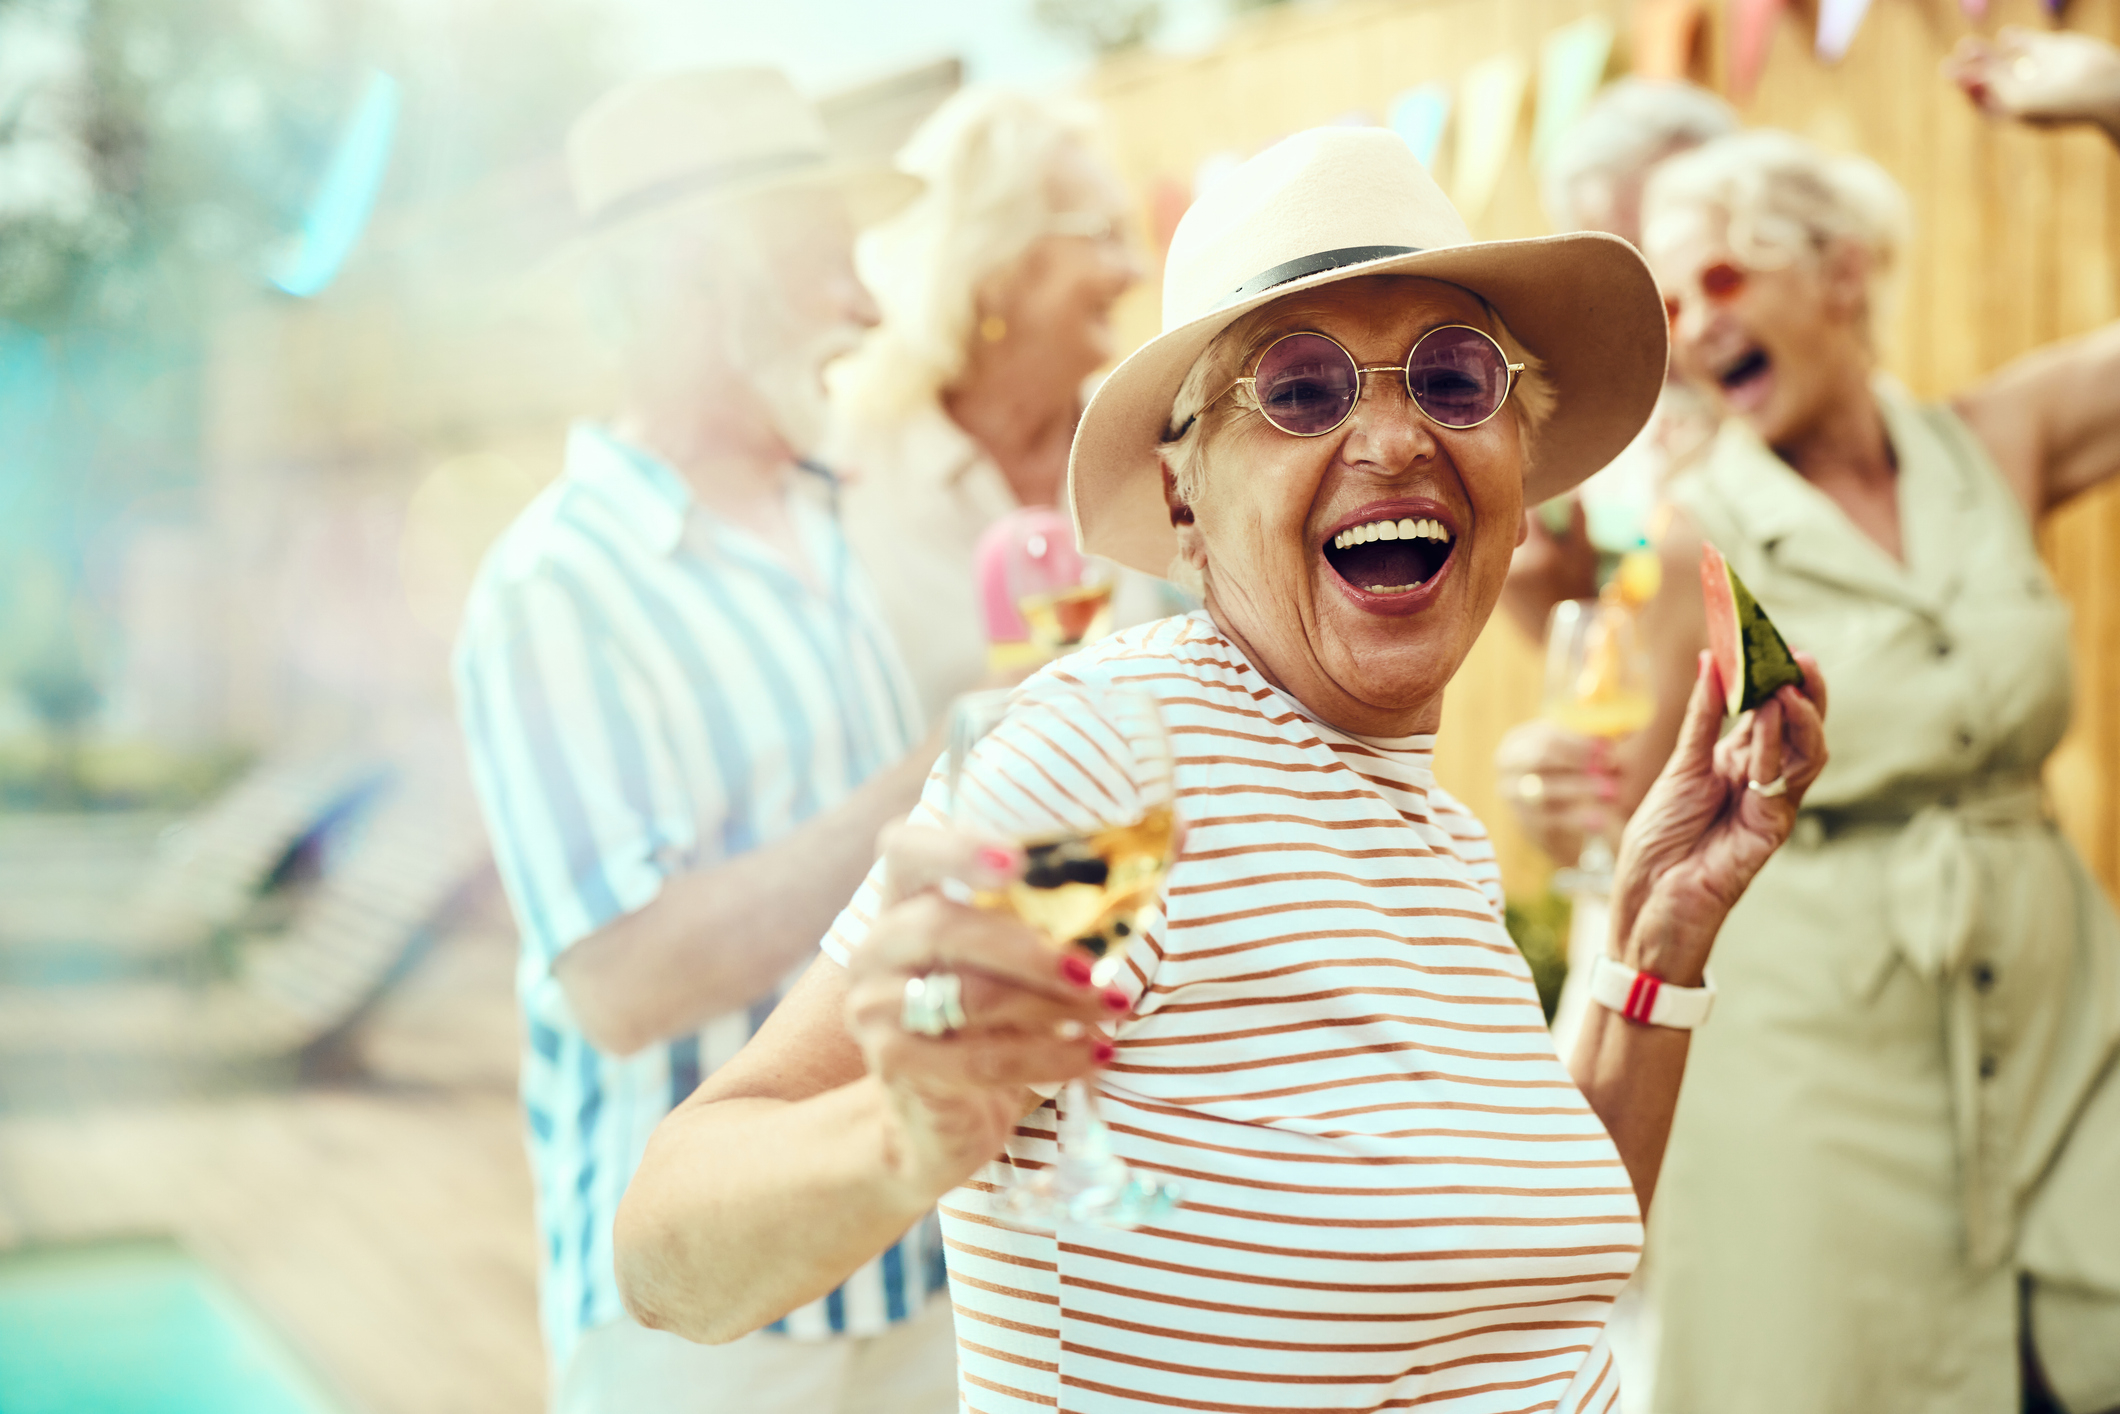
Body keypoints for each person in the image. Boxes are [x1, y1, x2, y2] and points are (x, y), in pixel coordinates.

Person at [609, 127, 1829, 1413]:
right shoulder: (1125, 769)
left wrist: (1656, 935)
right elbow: (666, 1246)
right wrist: (904, 1129)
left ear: (1517, 473)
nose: (1394, 438)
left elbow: (1513, 1285)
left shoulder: (1431, 833)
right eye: (1300, 390)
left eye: (1452, 378)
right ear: (1183, 504)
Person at [1504, 78, 2120, 1414]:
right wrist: (1558, 793)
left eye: (1725, 273)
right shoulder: (1682, 545)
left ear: (1842, 271)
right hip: (1815, 1061)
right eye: (1669, 307)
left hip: (2067, 1021)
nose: (1697, 323)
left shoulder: (1994, 443)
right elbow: (1617, 794)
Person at [452, 69, 958, 1413]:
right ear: (701, 270)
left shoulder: (826, 512)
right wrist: (917, 799)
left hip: (908, 1260)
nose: (866, 302)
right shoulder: (555, 584)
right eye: (821, 256)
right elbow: (621, 979)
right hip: (703, 1326)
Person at [827, 88, 1174, 722]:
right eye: (1103, 235)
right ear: (997, 261)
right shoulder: (848, 470)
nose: (1136, 270)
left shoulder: (1155, 447)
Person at [1498, 78, 1737, 644]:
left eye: (1673, 245)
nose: (1656, 295)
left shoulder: (1806, 402)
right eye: (1620, 263)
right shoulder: (1580, 445)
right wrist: (1560, 612)